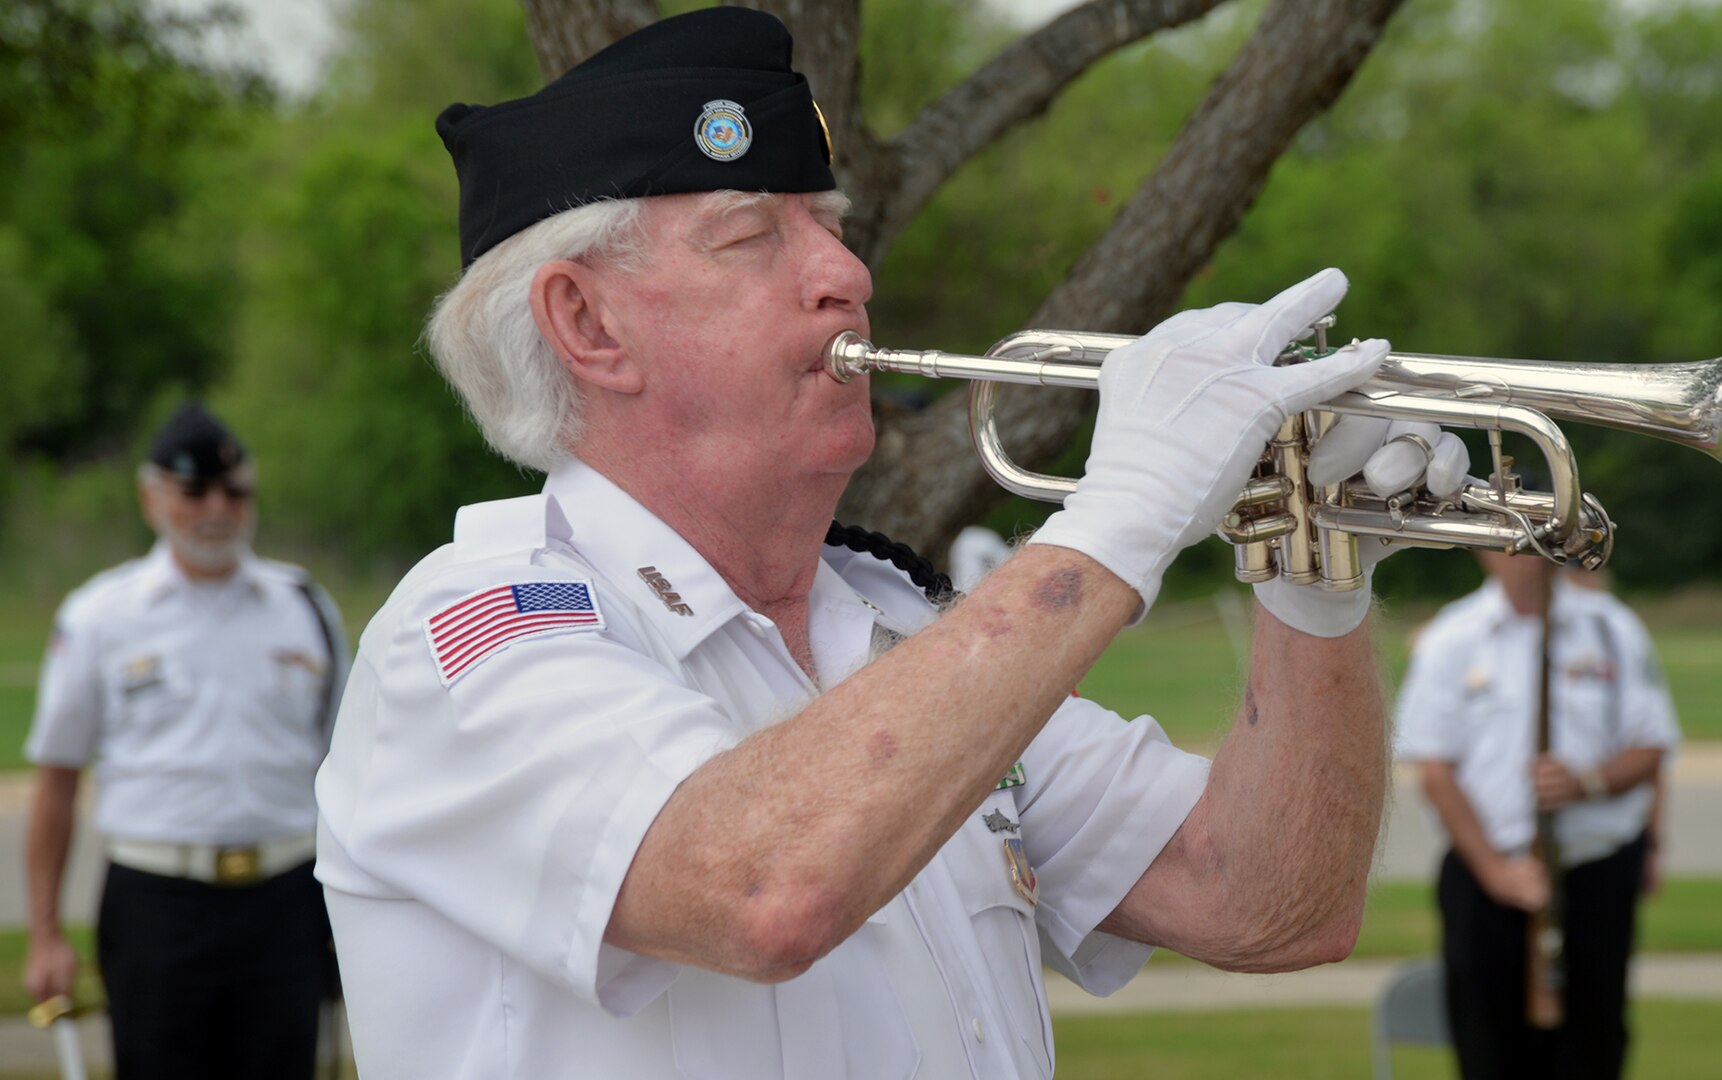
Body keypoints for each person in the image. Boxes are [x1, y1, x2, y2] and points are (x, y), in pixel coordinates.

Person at [314, 9, 1465, 1077]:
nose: (848, 277)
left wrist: (1309, 574)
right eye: (752, 236)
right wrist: (1126, 509)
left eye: (829, 227)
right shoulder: (467, 635)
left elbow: (1267, 899)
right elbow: (765, 888)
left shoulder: (898, 632)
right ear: (586, 324)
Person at [22, 403, 349, 1080]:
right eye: (194, 491)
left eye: (235, 491)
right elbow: (56, 782)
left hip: (285, 902)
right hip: (158, 906)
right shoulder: (100, 616)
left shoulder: (304, 606)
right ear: (150, 498)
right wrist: (47, 934)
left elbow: (348, 770)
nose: (217, 509)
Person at [1394, 547, 1680, 1080]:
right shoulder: (1454, 636)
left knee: (1593, 1043)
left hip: (1593, 868)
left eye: (1538, 541)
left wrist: (1587, 783)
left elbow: (1652, 745)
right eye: (1511, 542)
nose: (1526, 558)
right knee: (1489, 1046)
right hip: (1488, 874)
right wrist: (1497, 872)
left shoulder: (1610, 627)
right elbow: (1435, 770)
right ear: (1483, 550)